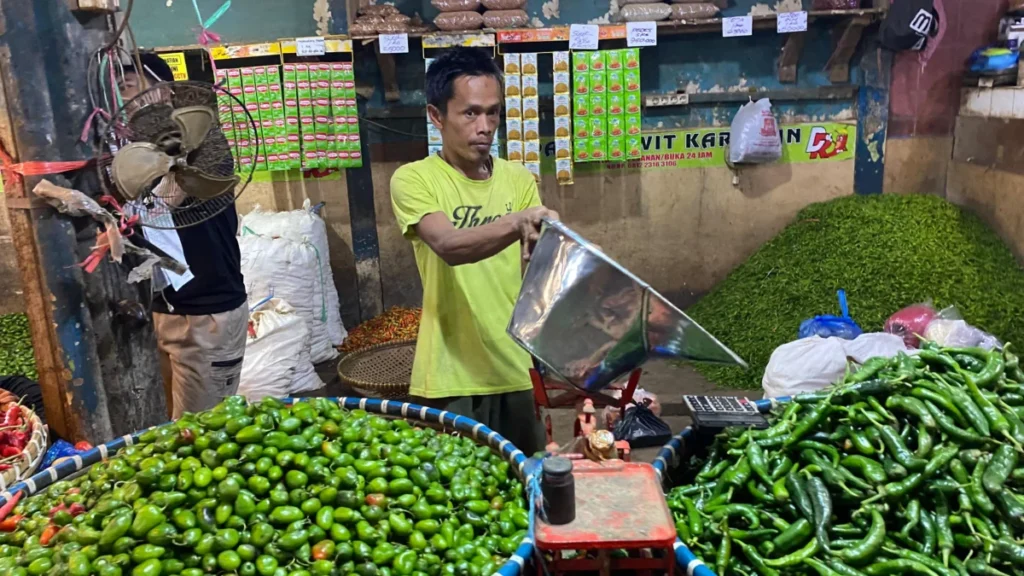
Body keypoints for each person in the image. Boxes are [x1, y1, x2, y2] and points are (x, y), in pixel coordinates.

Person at [390, 47, 559, 455]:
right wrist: (518, 221)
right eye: (470, 114)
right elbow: (448, 245)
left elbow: (535, 276)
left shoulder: (519, 180)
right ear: (436, 116)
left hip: (517, 370)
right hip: (450, 377)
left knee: (527, 489)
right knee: (457, 503)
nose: (485, 127)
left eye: (493, 113)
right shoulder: (415, 180)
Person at [120, 53, 248, 418]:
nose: (124, 101)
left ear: (165, 92)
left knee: (202, 434)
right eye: (116, 92)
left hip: (209, 312)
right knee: (163, 427)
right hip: (161, 310)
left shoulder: (203, 141)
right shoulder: (123, 153)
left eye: (130, 88)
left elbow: (161, 202)